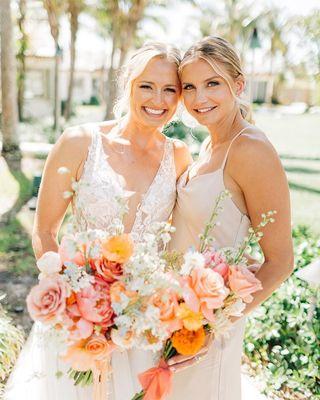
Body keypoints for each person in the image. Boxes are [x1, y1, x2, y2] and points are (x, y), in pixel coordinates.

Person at [4, 42, 192, 400]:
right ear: (128, 85)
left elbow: (176, 242)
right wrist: (73, 303)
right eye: (147, 86)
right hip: (80, 320)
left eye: (170, 89)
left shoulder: (179, 155)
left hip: (144, 322)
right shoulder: (79, 142)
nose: (158, 99)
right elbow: (45, 231)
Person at [167, 36, 294, 400]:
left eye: (212, 84)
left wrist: (212, 327)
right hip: (180, 316)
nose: (198, 98)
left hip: (209, 331)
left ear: (238, 85)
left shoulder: (250, 149)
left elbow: (281, 261)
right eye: (189, 87)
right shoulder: (210, 145)